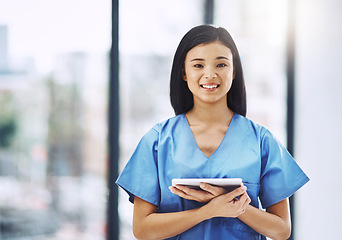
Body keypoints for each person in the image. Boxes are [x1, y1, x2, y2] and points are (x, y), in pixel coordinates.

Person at [116, 25, 309, 240]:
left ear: (233, 71)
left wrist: (236, 207)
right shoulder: (157, 141)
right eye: (198, 65)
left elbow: (281, 230)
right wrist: (207, 211)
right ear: (184, 72)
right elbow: (142, 229)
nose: (210, 74)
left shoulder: (261, 141)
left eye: (221, 64)